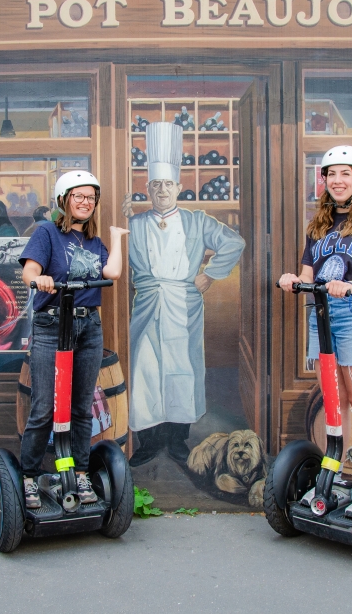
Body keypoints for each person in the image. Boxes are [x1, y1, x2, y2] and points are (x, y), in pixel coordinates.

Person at [278, 145, 352, 518]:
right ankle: (338, 478)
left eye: (346, 173)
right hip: (322, 314)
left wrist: (351, 286)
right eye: (332, 174)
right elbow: (308, 273)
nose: (338, 180)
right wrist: (292, 279)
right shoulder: (319, 223)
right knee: (335, 403)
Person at [123, 122, 245, 467]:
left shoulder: (197, 221)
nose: (162, 190)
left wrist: (210, 274)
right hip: (147, 305)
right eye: (156, 184)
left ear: (179, 187)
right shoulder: (135, 224)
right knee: (145, 370)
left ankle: (177, 440)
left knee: (182, 369)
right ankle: (148, 441)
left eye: (168, 184)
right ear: (148, 189)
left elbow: (234, 243)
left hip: (184, 305)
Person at [18, 170, 128, 509]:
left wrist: (116, 238)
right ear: (64, 200)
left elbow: (112, 273)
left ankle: (79, 473)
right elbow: (29, 271)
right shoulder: (47, 233)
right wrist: (40, 279)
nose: (85, 202)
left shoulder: (94, 242)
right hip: (52, 325)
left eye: (91, 198)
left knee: (81, 408)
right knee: (43, 409)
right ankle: (29, 477)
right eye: (78, 196)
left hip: (88, 327)